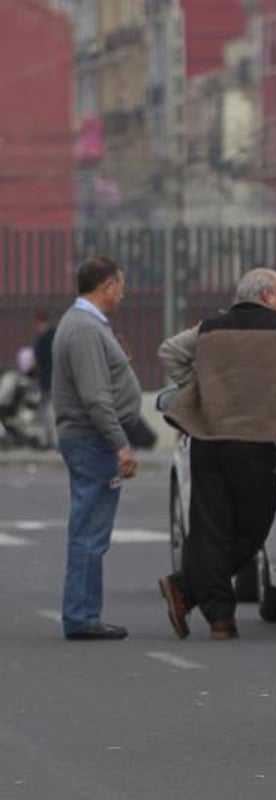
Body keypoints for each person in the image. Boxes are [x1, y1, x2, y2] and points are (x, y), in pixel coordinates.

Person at [156, 268, 276, 640]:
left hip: (207, 442)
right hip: (253, 445)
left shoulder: (209, 329)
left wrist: (199, 388)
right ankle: (189, 590)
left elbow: (169, 351)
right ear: (266, 296)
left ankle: (216, 616)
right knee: (255, 526)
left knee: (211, 529)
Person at [51, 256, 142, 641]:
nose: (124, 292)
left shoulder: (84, 325)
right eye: (121, 284)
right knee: (90, 530)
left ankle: (83, 612)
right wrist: (120, 445)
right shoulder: (86, 328)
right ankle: (82, 616)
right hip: (92, 440)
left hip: (88, 437)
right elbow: (95, 397)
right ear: (106, 286)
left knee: (88, 527)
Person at [32, 313, 56, 447]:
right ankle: (53, 440)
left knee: (47, 411)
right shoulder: (56, 335)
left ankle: (49, 440)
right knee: (53, 410)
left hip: (46, 379)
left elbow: (36, 362)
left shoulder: (42, 339)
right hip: (58, 379)